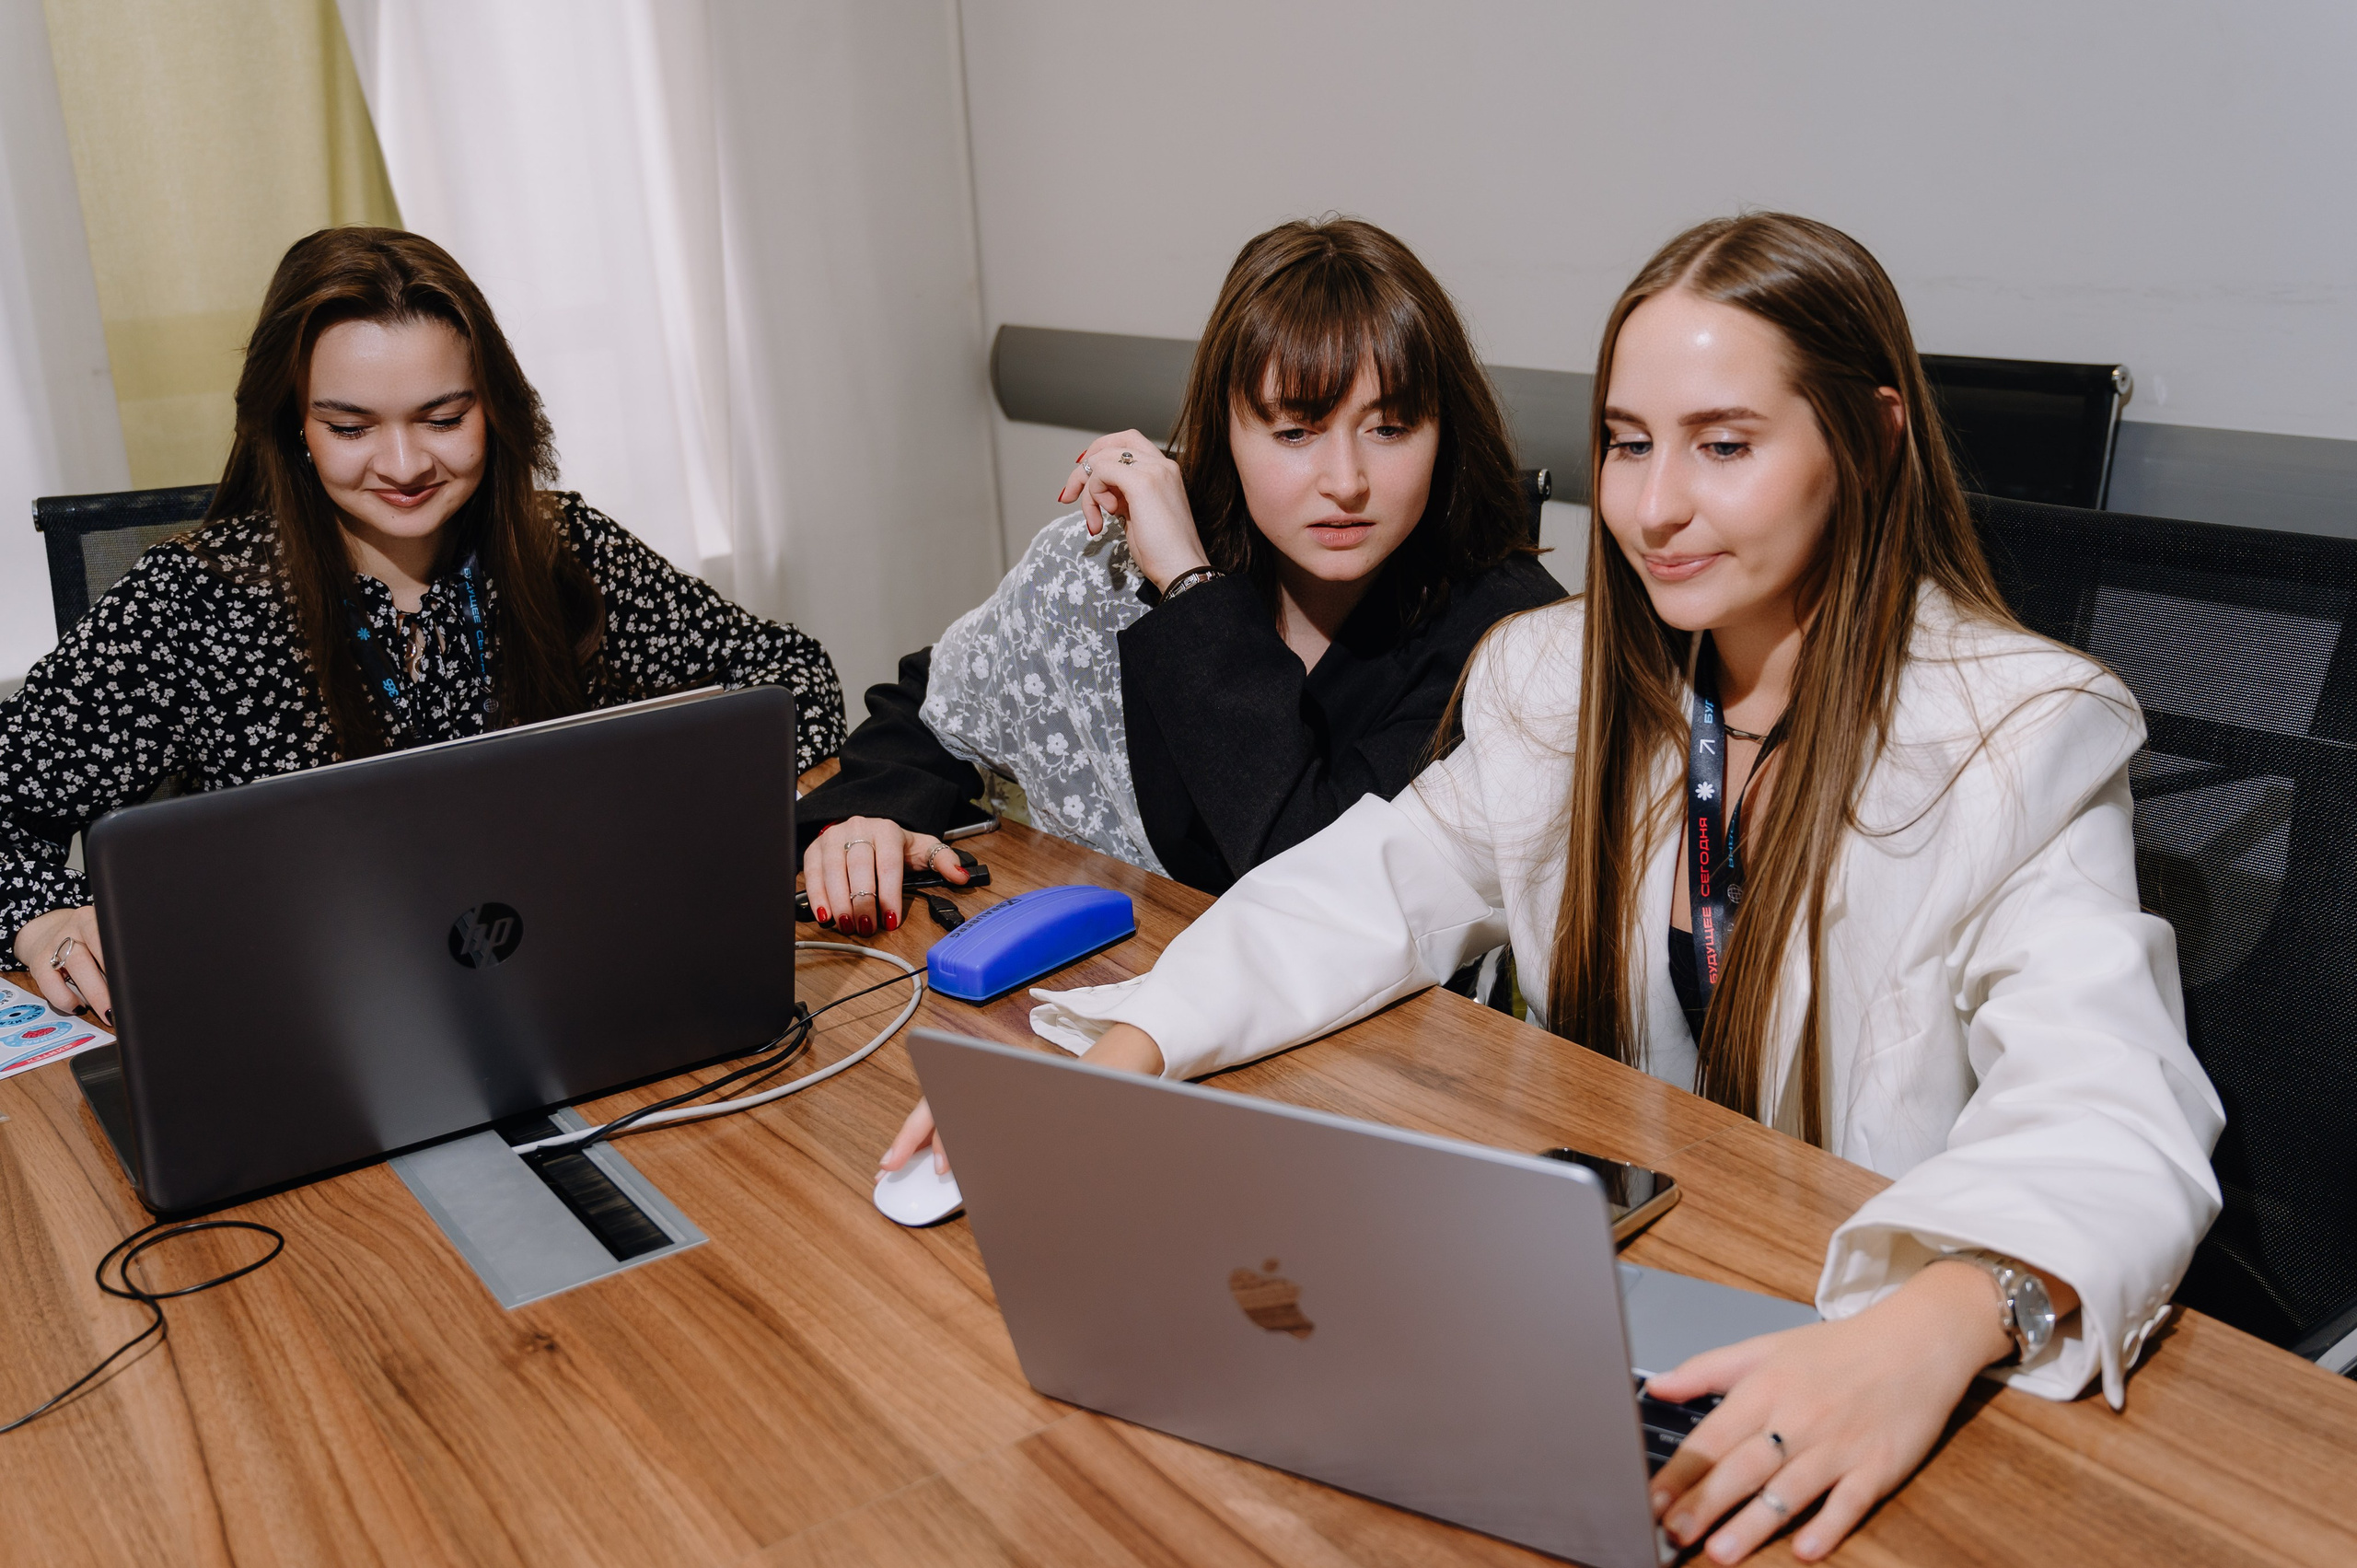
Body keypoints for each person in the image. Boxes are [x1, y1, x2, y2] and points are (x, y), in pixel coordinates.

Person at [988, 215, 2224, 1563]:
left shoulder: (2019, 734)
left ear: (1870, 442)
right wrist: (1127, 1051)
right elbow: (1369, 887)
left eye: (1725, 444)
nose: (1652, 506)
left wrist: (1920, 1334)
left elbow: (2114, 1107)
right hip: (1651, 1273)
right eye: (1630, 442)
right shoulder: (1557, 678)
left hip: (1871, 1319)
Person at [2, 226, 846, 1020]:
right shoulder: (191, 604)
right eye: (349, 427)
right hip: (306, 1016)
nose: (405, 466)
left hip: (560, 987)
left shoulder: (562, 549)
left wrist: (686, 817)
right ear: (295, 426)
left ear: (496, 410)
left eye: (444, 419)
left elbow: (787, 679)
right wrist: (39, 920)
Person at [798, 215, 1564, 938]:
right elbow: (934, 703)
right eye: (1295, 431)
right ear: (1225, 430)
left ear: (1443, 432)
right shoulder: (1122, 563)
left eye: (1390, 428)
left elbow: (1307, 874)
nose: (1346, 481)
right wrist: (866, 818)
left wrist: (1191, 588)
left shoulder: (1513, 640)